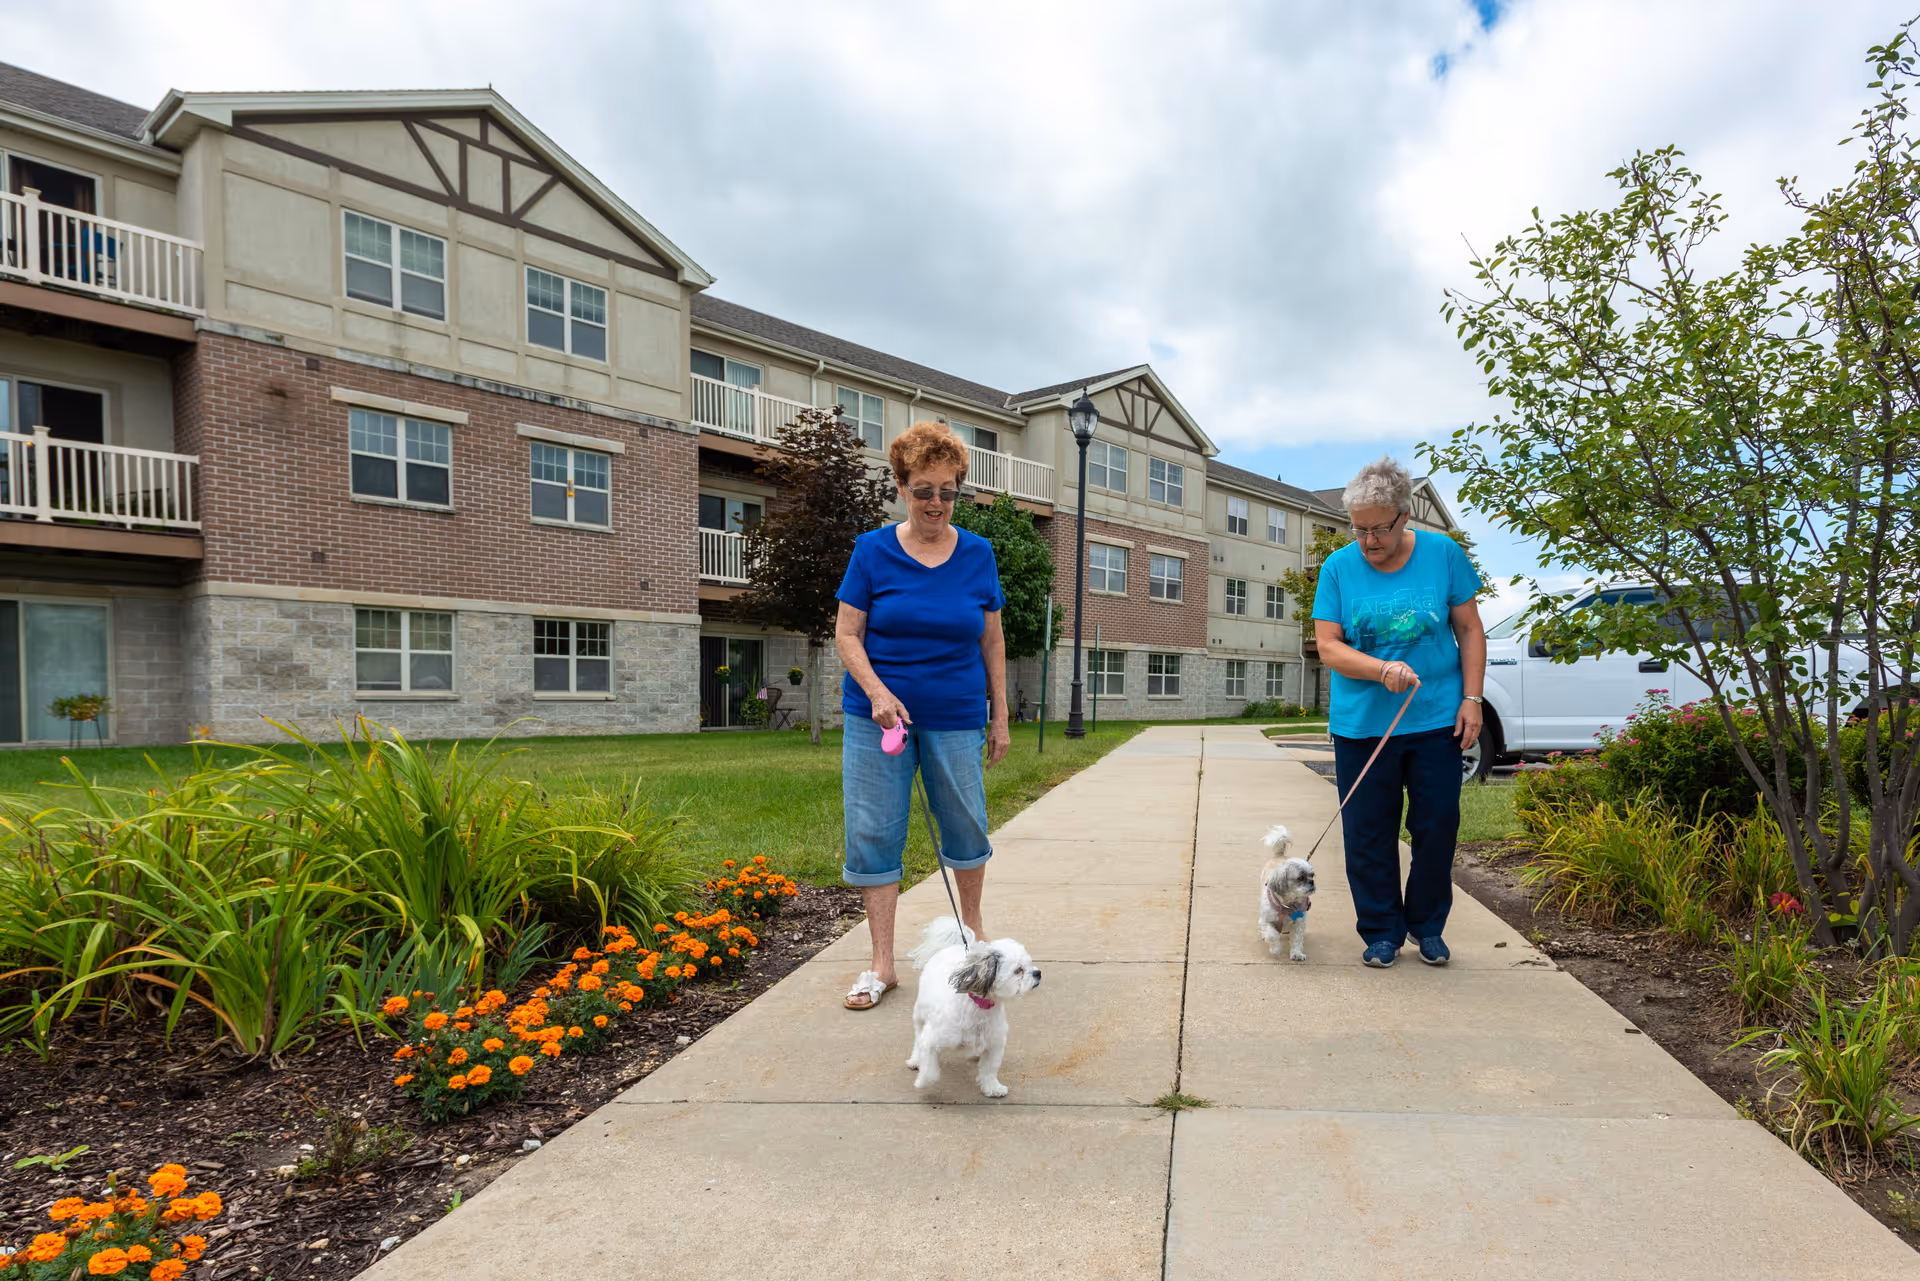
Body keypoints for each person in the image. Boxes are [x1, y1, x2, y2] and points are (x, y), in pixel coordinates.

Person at [834, 422, 1012, 1010]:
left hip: (958, 714)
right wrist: (878, 693)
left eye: (947, 490)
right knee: (874, 832)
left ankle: (976, 940)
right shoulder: (872, 550)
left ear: (958, 489)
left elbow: (992, 641)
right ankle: (882, 964)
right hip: (876, 718)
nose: (936, 502)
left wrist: (1000, 715)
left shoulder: (979, 553)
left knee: (965, 824)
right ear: (901, 487)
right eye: (923, 489)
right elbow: (847, 633)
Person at [1311, 457, 1486, 969]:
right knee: (1368, 832)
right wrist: (1380, 668)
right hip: (1362, 725)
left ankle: (1428, 926)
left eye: (1380, 529)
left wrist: (1471, 699)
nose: (1369, 541)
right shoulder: (1338, 568)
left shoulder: (1443, 554)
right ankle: (1382, 930)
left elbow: (1470, 630)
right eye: (1359, 529)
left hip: (1435, 719)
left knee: (1437, 826)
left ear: (1405, 516)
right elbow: (1328, 645)